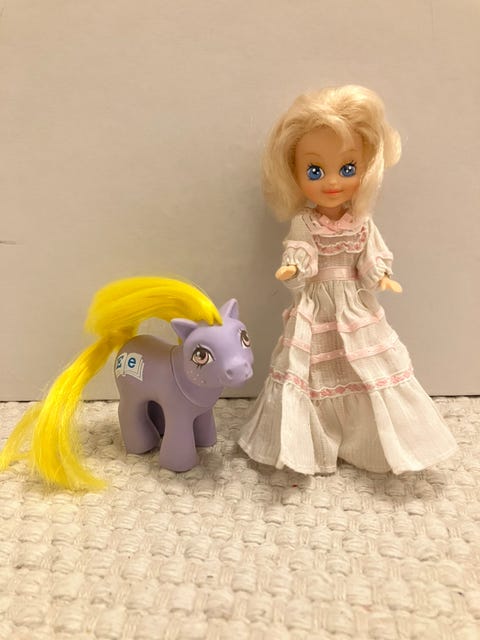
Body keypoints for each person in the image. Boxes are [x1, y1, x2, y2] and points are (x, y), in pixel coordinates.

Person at [238, 85, 457, 474]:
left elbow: (370, 256)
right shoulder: (305, 222)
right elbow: (301, 252)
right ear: (292, 172)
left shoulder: (361, 222)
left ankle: (363, 437)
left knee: (366, 364)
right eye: (315, 171)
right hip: (316, 305)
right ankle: (318, 437)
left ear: (366, 168)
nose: (332, 182)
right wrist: (294, 268)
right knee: (312, 369)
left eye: (348, 168)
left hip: (355, 305)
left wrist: (380, 274)